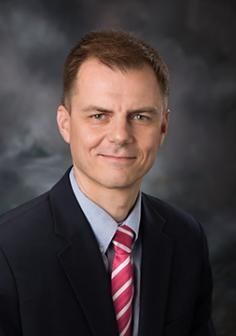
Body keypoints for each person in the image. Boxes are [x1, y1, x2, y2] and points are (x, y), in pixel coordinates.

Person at [0, 31, 215, 336]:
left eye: (140, 116)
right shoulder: (7, 250)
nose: (120, 135)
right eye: (99, 115)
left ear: (163, 126)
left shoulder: (187, 239)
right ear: (65, 124)